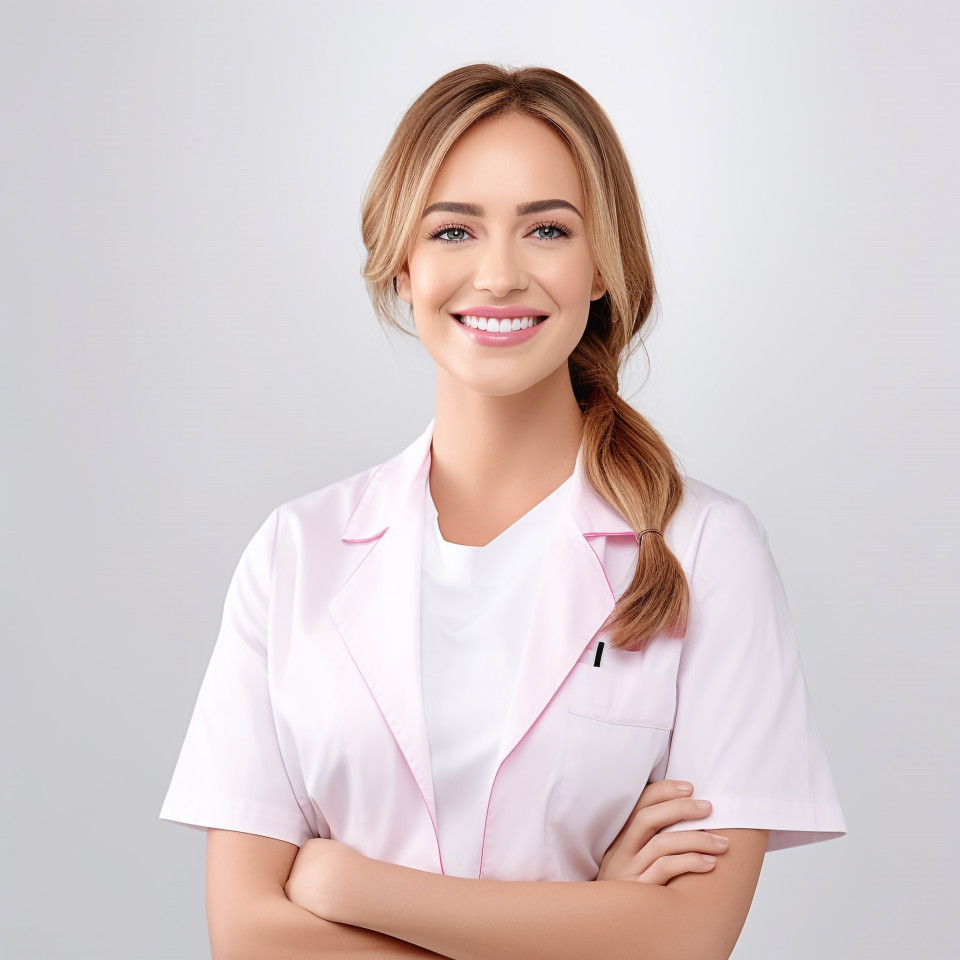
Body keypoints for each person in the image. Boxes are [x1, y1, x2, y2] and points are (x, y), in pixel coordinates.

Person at [160, 63, 846, 959]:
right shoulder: (295, 554)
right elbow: (249, 938)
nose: (499, 274)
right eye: (454, 230)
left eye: (547, 229)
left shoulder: (706, 551)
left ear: (601, 263)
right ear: (403, 266)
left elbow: (685, 939)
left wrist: (348, 886)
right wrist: (590, 920)